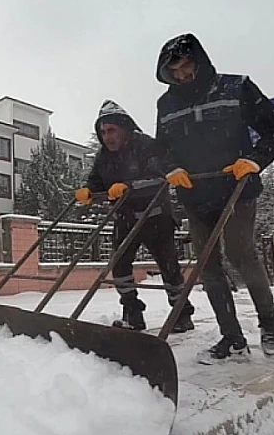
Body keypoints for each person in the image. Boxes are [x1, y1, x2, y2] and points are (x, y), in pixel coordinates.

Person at [153, 33, 274, 363]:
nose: (184, 75)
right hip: (195, 193)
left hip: (237, 188)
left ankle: (270, 324)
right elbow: (160, 148)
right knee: (208, 266)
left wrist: (255, 160)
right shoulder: (166, 104)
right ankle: (232, 339)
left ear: (200, 62)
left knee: (241, 254)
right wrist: (170, 168)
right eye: (176, 71)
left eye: (188, 67)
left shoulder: (236, 87)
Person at [75, 99, 196, 333]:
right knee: (119, 266)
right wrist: (88, 190)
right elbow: (96, 179)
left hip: (156, 216)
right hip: (125, 217)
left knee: (169, 268)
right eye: (103, 132)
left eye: (111, 130)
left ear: (124, 128)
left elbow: (160, 177)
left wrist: (129, 186)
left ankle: (182, 314)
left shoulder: (146, 146)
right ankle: (132, 313)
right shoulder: (104, 156)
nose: (107, 136)